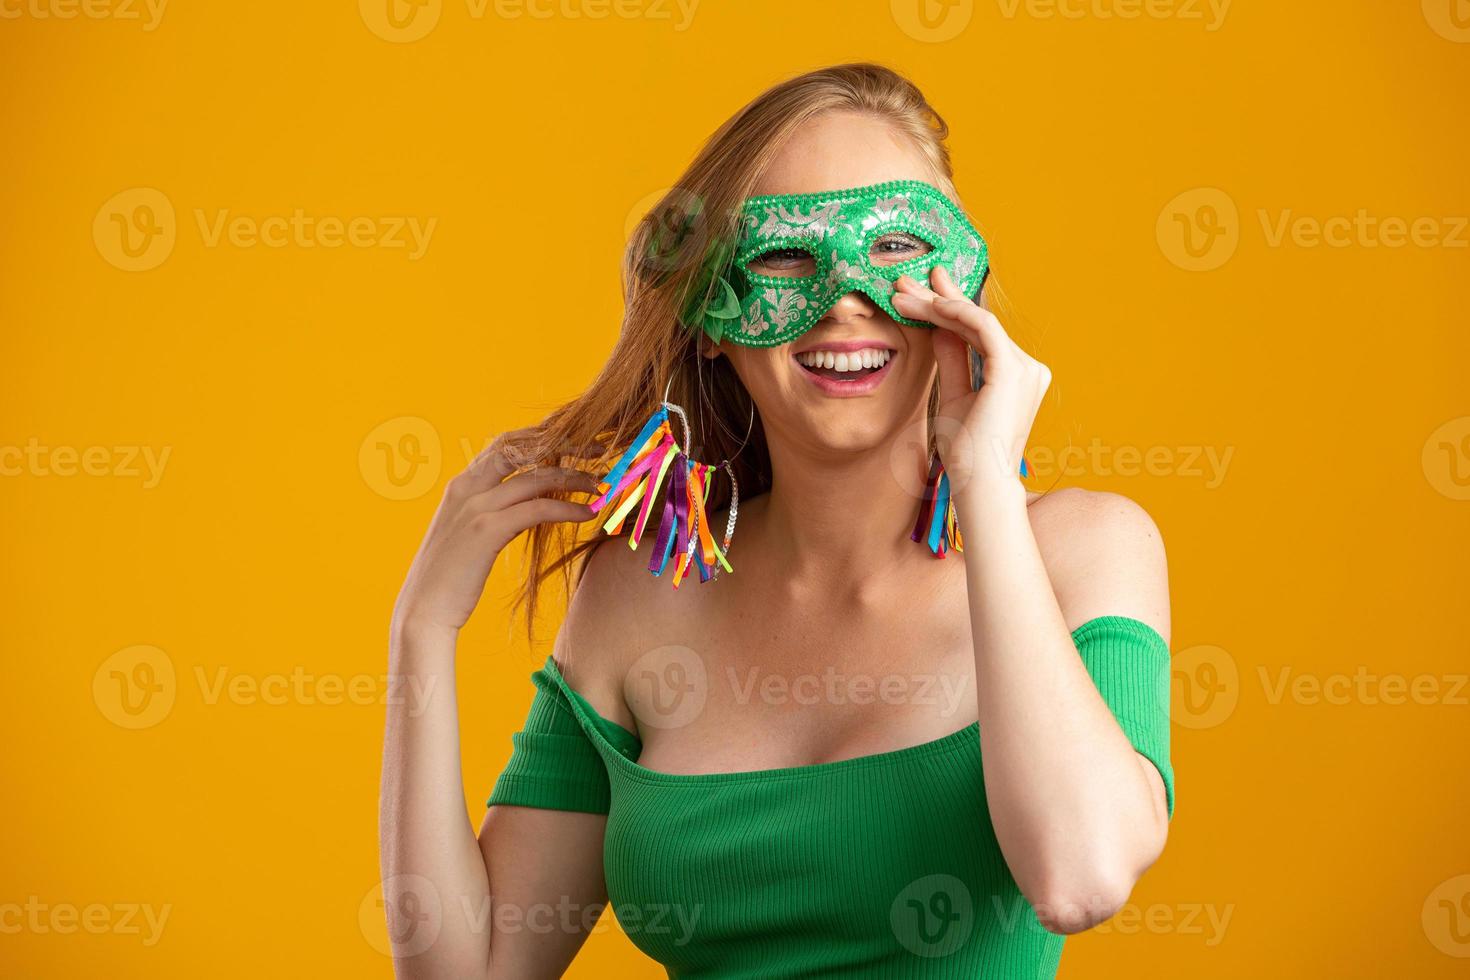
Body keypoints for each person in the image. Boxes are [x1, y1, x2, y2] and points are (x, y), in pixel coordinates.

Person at [380, 62, 1174, 979]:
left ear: (961, 291)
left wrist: (984, 477)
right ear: (711, 318)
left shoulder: (1081, 553)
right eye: (788, 256)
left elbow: (1079, 878)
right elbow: (468, 973)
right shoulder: (641, 597)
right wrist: (422, 629)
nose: (843, 298)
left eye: (893, 251)